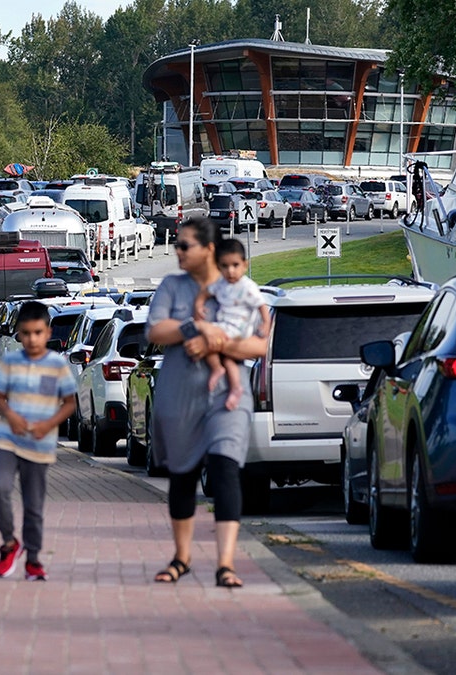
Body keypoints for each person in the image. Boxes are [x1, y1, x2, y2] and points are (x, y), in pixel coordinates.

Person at [146, 218, 268, 589]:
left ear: (209, 249)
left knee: (224, 468)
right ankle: (181, 558)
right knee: (182, 475)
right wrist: (194, 328)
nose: (177, 252)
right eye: (178, 245)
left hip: (227, 398)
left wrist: (217, 343)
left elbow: (260, 345)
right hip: (181, 396)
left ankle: (225, 564)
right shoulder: (172, 286)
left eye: (185, 246)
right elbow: (155, 330)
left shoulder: (240, 287)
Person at [0, 301, 78, 581]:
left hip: (40, 443)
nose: (32, 339)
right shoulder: (11, 362)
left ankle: (34, 560)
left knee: (33, 505)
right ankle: (9, 543)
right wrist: (12, 417)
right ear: (19, 334)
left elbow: (69, 403)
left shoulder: (57, 365)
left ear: (48, 333)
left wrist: (49, 424)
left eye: (37, 332)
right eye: (25, 333)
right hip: (9, 439)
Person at [193, 239, 272, 411]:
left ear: (245, 265)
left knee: (207, 338)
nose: (230, 271)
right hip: (225, 325)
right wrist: (199, 304)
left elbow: (261, 306)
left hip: (239, 328)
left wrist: (266, 323)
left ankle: (217, 370)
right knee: (228, 359)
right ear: (219, 267)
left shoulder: (247, 287)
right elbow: (205, 292)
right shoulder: (221, 285)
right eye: (225, 266)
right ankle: (232, 384)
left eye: (235, 265)